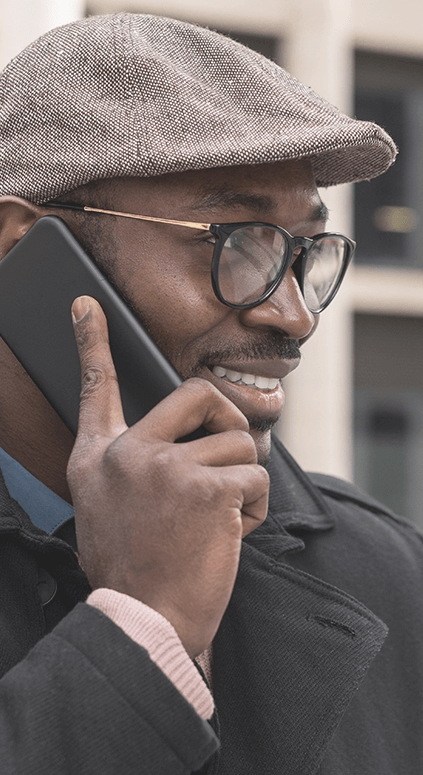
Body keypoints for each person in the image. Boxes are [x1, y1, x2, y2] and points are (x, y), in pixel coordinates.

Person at [0, 12, 421, 775]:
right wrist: (141, 629)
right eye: (237, 241)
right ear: (24, 251)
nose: (292, 315)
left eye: (303, 255)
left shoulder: (389, 570)